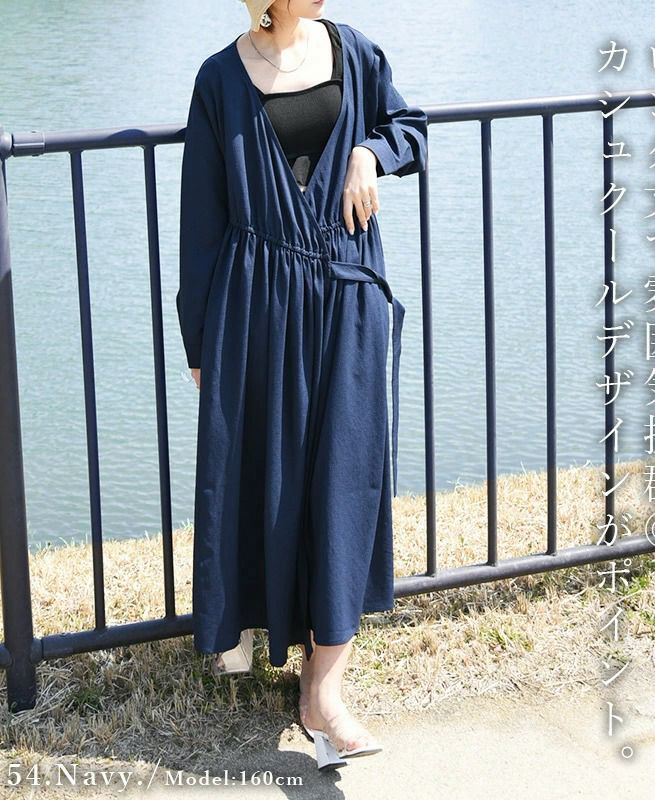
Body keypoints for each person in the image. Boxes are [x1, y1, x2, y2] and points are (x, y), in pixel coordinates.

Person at [176, 0, 428, 770]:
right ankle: (265, 639)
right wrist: (201, 340)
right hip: (257, 309)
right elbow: (201, 223)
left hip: (347, 297)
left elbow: (409, 127)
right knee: (270, 478)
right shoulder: (219, 81)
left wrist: (369, 154)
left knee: (346, 481)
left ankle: (325, 690)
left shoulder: (354, 52)